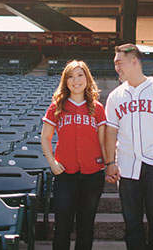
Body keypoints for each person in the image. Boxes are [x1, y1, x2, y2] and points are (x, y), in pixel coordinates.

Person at [104, 43, 153, 250]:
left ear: (134, 61)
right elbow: (111, 131)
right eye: (115, 63)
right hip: (127, 164)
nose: (116, 68)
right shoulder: (115, 96)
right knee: (132, 223)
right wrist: (110, 162)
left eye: (119, 62)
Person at [41, 60, 107, 250]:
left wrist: (108, 163)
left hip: (93, 174)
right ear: (65, 80)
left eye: (80, 75)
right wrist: (52, 163)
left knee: (86, 227)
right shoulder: (57, 107)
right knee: (62, 227)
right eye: (70, 76)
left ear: (87, 78)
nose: (75, 80)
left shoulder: (97, 108)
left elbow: (103, 141)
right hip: (65, 175)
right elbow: (45, 138)